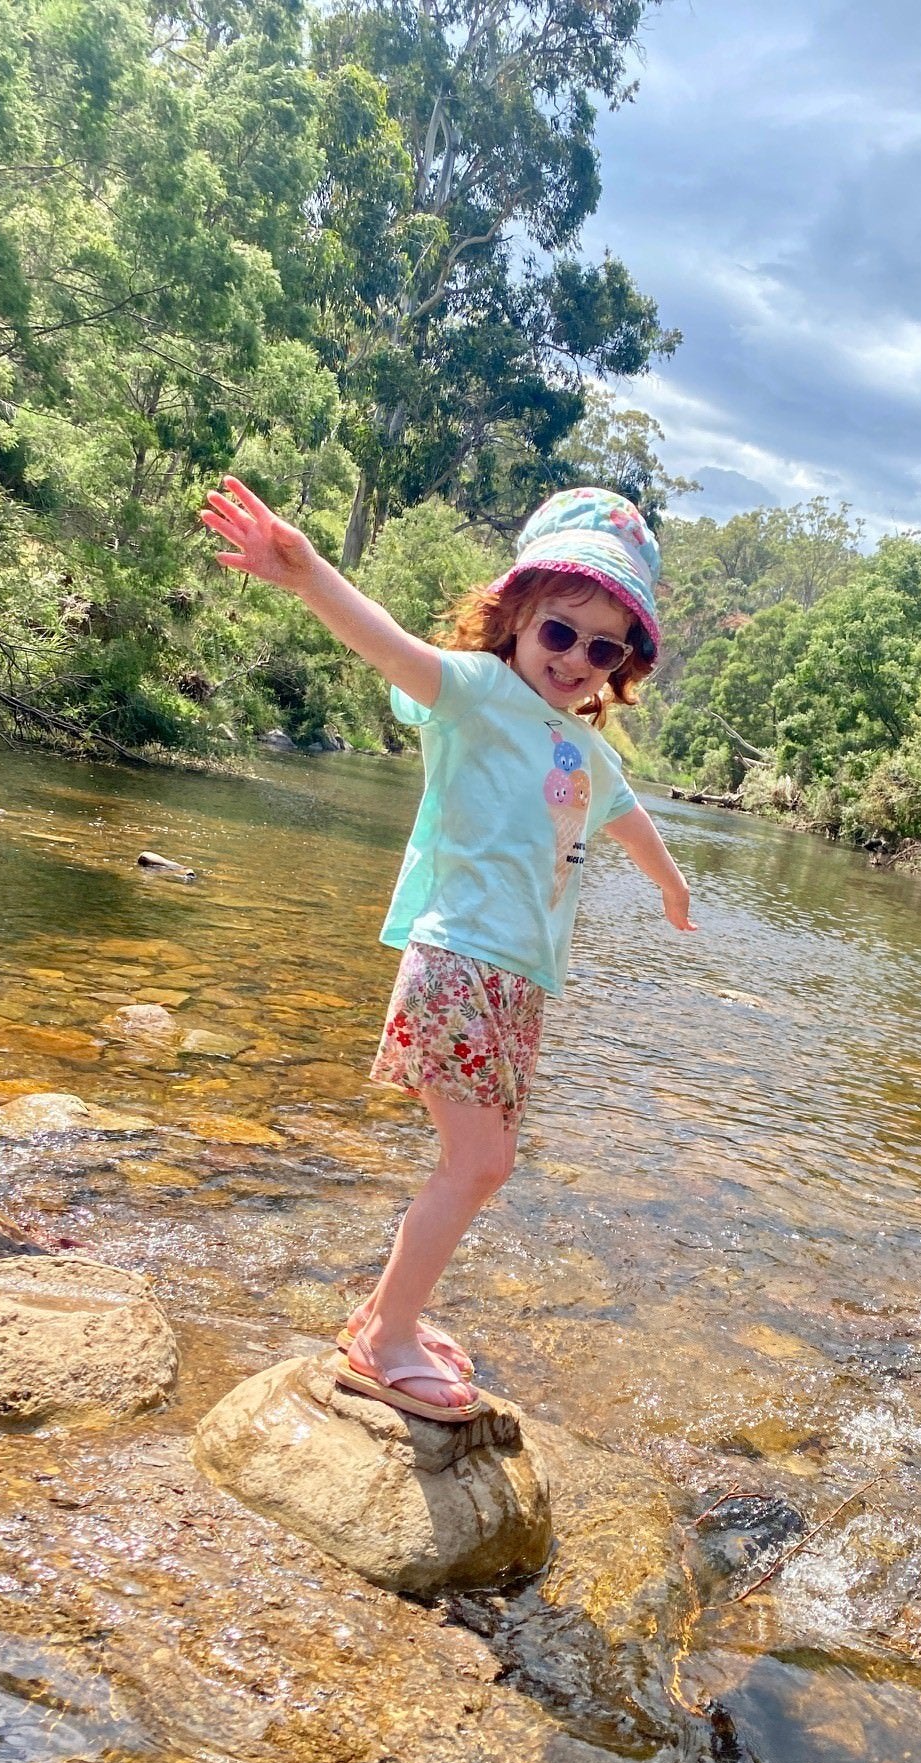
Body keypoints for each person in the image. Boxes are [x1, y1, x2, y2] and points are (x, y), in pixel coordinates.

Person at [200, 477, 695, 1423]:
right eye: (559, 631)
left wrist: (672, 887)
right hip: (459, 958)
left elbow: (630, 824)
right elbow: (388, 642)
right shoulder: (471, 693)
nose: (576, 659)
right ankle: (385, 1338)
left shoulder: (582, 746)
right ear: (514, 616)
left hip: (517, 980)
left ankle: (390, 1315)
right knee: (479, 1165)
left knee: (482, 1161)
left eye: (603, 647)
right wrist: (308, 575)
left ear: (621, 663)